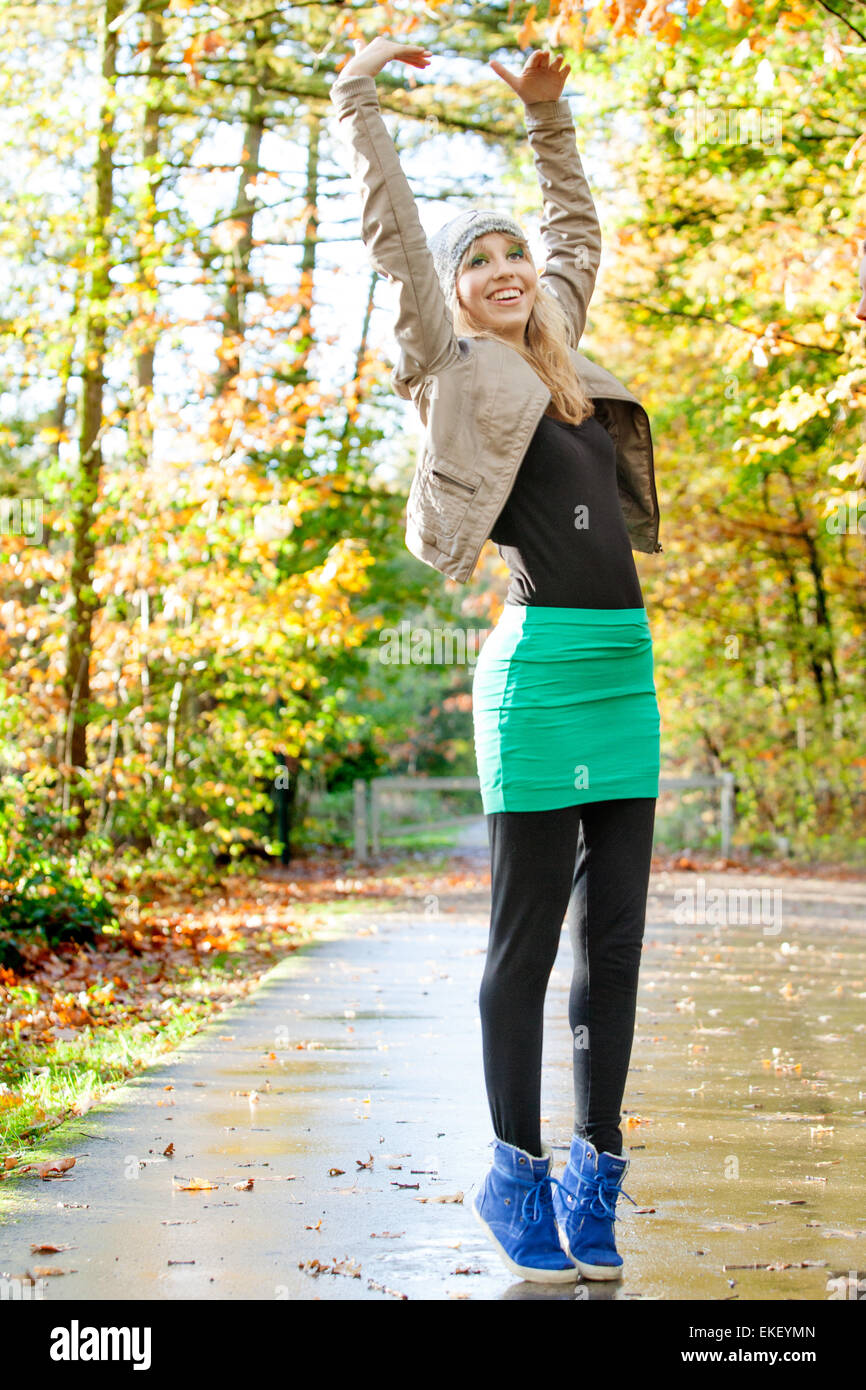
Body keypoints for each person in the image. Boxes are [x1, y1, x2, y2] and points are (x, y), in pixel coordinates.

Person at [329, 36, 661, 1285]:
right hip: (534, 679)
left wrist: (544, 111)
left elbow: (574, 216)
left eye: (510, 252)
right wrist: (358, 93)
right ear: (455, 295)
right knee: (523, 940)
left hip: (623, 670)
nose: (504, 267)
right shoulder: (448, 366)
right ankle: (513, 1167)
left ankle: (598, 1166)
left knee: (616, 938)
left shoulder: (559, 345)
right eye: (480, 261)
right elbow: (396, 235)